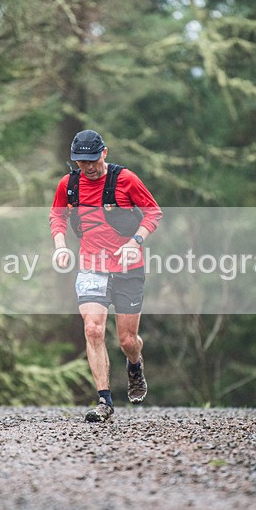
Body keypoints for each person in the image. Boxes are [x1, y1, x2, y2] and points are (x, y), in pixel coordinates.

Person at [49, 129, 163, 422]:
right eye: (80, 161)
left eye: (92, 160)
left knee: (127, 340)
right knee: (93, 329)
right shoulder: (69, 185)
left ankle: (135, 365)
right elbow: (57, 215)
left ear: (104, 153)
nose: (87, 167)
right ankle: (104, 401)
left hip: (129, 267)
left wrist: (135, 241)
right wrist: (60, 246)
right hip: (91, 265)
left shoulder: (126, 180)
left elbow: (153, 213)